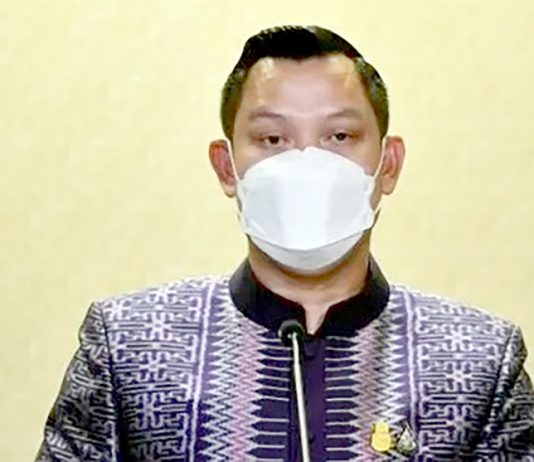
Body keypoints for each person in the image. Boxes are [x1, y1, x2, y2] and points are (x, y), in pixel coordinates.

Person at [36, 25, 534, 461]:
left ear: (388, 164)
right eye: (273, 140)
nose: (307, 165)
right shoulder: (130, 346)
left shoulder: (478, 362)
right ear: (227, 167)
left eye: (340, 136)